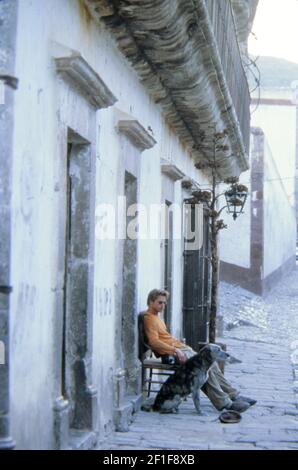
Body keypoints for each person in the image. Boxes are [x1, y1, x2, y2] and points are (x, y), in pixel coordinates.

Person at [143, 289, 257, 413]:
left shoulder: (157, 317)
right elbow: (153, 342)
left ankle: (233, 395)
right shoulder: (149, 318)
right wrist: (175, 350)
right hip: (173, 353)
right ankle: (225, 403)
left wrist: (181, 346)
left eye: (164, 303)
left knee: (212, 364)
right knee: (203, 369)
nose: (163, 306)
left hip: (181, 349)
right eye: (160, 303)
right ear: (150, 301)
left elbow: (164, 338)